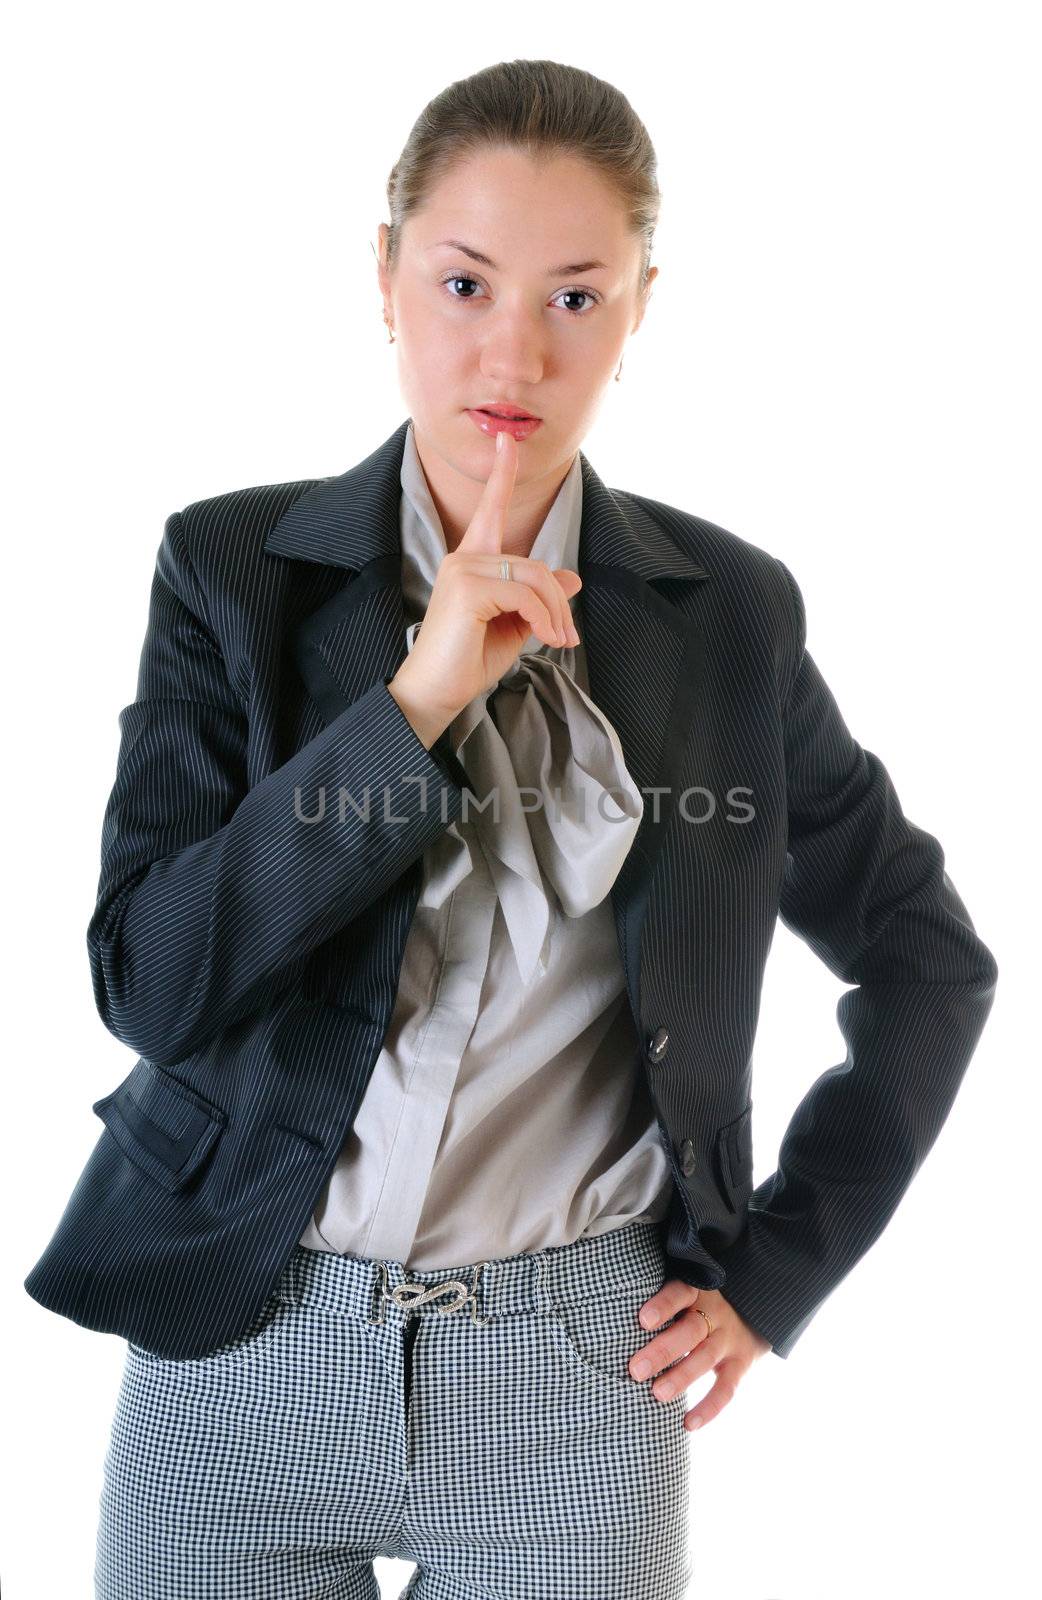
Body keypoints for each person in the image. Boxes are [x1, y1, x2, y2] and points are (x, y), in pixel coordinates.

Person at [23, 58, 997, 1600]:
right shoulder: (233, 570)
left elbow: (926, 960)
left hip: (574, 1378)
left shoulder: (725, 611)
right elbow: (152, 981)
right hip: (241, 1338)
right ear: (387, 281)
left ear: (639, 312)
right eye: (464, 281)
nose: (511, 351)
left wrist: (780, 1272)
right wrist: (406, 709)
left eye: (575, 297)